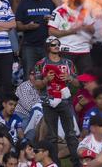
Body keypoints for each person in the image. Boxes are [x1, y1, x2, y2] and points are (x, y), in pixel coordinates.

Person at [33, 36, 80, 167]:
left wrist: (70, 78)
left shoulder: (68, 63)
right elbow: (37, 84)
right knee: (52, 137)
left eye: (58, 44)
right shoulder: (40, 64)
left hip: (65, 101)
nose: (56, 46)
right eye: (53, 44)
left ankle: (77, 163)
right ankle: (55, 164)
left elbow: (77, 83)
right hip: (48, 102)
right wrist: (46, 80)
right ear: (48, 47)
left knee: (71, 134)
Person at [15, 0, 55, 75]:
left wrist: (50, 21)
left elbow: (56, 22)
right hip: (29, 45)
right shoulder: (24, 3)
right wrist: (27, 26)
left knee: (47, 74)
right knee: (30, 75)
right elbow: (17, 25)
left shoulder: (49, 2)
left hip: (46, 45)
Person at [48, 0, 95, 73]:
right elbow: (51, 32)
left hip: (84, 50)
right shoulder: (59, 11)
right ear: (69, 0)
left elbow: (93, 30)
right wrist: (72, 31)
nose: (77, 6)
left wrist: (85, 26)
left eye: (79, 3)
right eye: (76, 3)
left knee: (86, 79)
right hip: (66, 50)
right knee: (65, 79)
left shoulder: (85, 10)